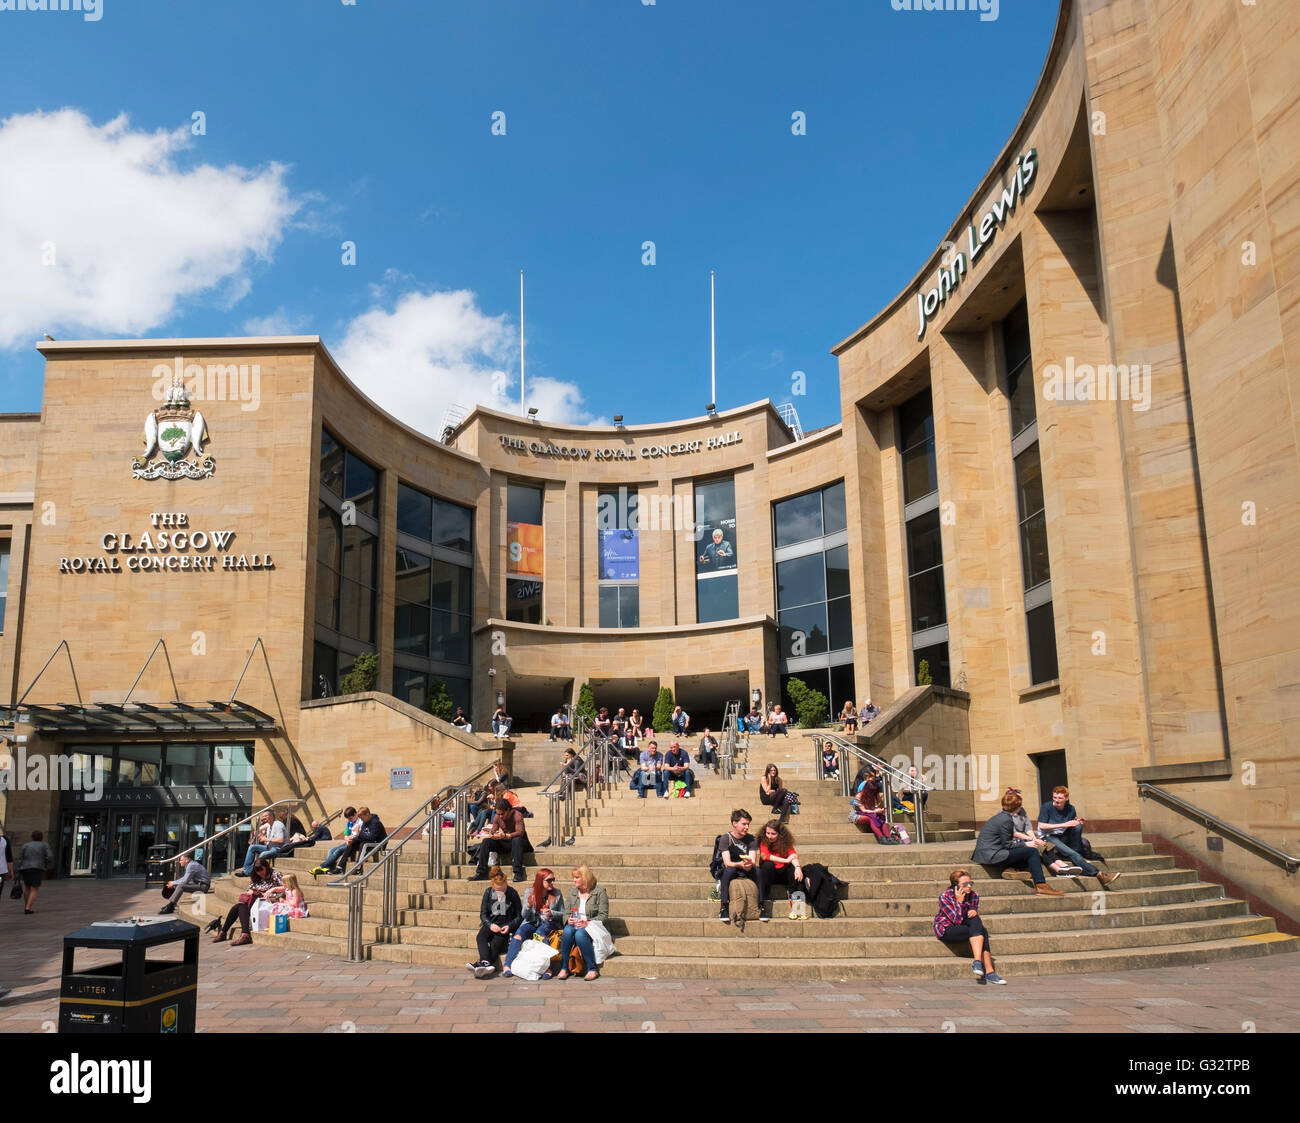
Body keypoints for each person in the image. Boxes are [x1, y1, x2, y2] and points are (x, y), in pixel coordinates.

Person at [971, 792, 1063, 896]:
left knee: (1028, 854)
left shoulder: (1000, 817)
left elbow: (1006, 842)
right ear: (1017, 807)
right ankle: (1041, 885)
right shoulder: (1007, 820)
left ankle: (1011, 869)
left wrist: (1027, 842)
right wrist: (1026, 844)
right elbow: (1007, 845)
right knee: (1032, 851)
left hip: (987, 853)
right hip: (991, 856)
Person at [1037, 786, 1120, 886]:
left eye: (1060, 798)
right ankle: (1099, 875)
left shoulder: (1071, 809)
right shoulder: (1047, 807)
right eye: (1054, 797)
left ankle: (1075, 854)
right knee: (1072, 853)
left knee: (1078, 827)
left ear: (1066, 798)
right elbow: (1042, 826)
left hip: (1063, 836)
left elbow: (1071, 825)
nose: (1056, 801)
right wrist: (1065, 824)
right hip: (1049, 837)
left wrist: (1076, 822)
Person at [935, 868, 1005, 984]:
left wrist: (973, 911)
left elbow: (970, 919)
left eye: (970, 883)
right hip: (947, 928)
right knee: (982, 931)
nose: (969, 886)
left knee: (977, 921)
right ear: (955, 886)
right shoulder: (945, 897)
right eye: (965, 884)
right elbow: (956, 920)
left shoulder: (974, 895)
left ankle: (978, 962)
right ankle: (989, 972)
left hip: (966, 926)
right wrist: (959, 902)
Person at [504, 867, 564, 978]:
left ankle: (547, 968)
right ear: (540, 881)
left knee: (541, 932)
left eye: (553, 879)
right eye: (549, 880)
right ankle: (507, 965)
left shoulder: (557, 893)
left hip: (550, 923)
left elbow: (563, 914)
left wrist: (552, 913)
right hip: (532, 922)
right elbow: (524, 915)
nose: (552, 882)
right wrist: (528, 905)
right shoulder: (529, 892)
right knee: (519, 933)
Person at [212, 857, 282, 946]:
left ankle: (232, 933)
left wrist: (272, 889)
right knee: (239, 906)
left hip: (269, 901)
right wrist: (250, 893)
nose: (260, 873)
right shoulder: (255, 876)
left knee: (239, 907)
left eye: (261, 870)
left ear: (266, 866)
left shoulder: (275, 874)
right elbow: (250, 889)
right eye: (257, 871)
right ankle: (231, 933)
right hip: (256, 900)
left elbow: (287, 887)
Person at [467, 866, 523, 978]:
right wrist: (490, 925)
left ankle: (482, 964)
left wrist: (509, 926)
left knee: (495, 944)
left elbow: (519, 915)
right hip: (491, 923)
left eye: (503, 889)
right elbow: (483, 914)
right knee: (481, 937)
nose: (501, 892)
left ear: (506, 884)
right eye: (498, 890)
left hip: (505, 926)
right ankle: (486, 964)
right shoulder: (488, 892)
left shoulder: (512, 893)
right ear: (493, 886)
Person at [556, 866, 609, 981]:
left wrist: (588, 922)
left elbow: (603, 915)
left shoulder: (599, 892)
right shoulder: (572, 892)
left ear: (585, 878)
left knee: (580, 934)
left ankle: (592, 969)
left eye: (577, 877)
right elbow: (566, 912)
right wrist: (567, 919)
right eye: (573, 877)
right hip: (574, 924)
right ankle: (564, 968)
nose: (574, 880)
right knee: (567, 931)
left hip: (591, 926)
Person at [468, 798, 527, 883]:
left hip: (520, 843)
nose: (500, 816)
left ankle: (518, 872)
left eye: (502, 814)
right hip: (506, 842)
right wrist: (492, 834)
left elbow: (520, 832)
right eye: (498, 814)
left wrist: (505, 835)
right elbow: (494, 829)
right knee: (486, 842)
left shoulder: (517, 815)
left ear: (508, 810)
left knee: (516, 840)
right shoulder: (497, 817)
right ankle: (481, 872)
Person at [714, 810, 757, 923]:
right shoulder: (725, 838)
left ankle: (762, 905)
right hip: (732, 866)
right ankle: (723, 906)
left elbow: (753, 860)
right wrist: (740, 864)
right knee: (729, 871)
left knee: (759, 872)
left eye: (748, 824)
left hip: (746, 867)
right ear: (734, 823)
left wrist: (748, 864)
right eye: (744, 824)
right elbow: (727, 862)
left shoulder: (752, 839)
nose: (747, 827)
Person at [756, 820, 803, 922]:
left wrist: (798, 868)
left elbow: (793, 855)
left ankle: (794, 899)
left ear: (780, 834)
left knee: (792, 868)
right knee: (767, 864)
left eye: (773, 834)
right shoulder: (763, 841)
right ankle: (766, 895)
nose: (770, 836)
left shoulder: (785, 842)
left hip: (782, 873)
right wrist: (786, 860)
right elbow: (765, 856)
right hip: (769, 874)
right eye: (768, 833)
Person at [330, 806, 388, 874]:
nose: (362, 820)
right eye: (360, 818)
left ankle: (358, 868)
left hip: (379, 843)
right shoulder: (365, 822)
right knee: (353, 842)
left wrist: (359, 833)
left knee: (363, 845)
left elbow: (372, 838)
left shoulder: (376, 823)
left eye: (362, 818)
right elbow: (362, 836)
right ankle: (340, 867)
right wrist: (353, 840)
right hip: (369, 842)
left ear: (367, 814)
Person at [310, 807, 358, 876]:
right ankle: (328, 868)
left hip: (354, 842)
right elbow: (346, 835)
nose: (350, 820)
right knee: (331, 850)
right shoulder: (349, 823)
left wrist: (349, 838)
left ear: (355, 814)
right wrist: (347, 838)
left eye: (350, 818)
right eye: (348, 819)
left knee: (338, 850)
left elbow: (357, 835)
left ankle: (321, 866)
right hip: (348, 841)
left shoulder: (359, 822)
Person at [16, 830, 53, 915]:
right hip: (37, 868)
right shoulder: (44, 845)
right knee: (35, 888)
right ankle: (28, 908)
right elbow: (50, 856)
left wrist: (18, 868)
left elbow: (20, 858)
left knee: (27, 887)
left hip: (25, 868)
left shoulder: (26, 845)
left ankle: (26, 905)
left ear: (32, 837)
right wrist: (46, 864)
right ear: (41, 837)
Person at [239, 809, 286, 876]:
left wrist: (267, 839)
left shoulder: (278, 825)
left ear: (271, 816)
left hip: (278, 848)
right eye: (263, 816)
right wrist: (262, 837)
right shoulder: (269, 825)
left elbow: (281, 840)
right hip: (269, 847)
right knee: (252, 847)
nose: (263, 818)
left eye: (265, 816)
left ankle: (248, 872)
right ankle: (246, 869)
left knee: (263, 854)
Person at [851, 772, 887, 840]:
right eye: (872, 792)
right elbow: (863, 810)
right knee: (871, 818)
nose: (873, 793)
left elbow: (873, 807)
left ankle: (888, 837)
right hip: (856, 814)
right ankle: (881, 837)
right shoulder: (859, 796)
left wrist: (879, 810)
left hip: (868, 813)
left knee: (880, 817)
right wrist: (875, 811)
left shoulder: (871, 795)